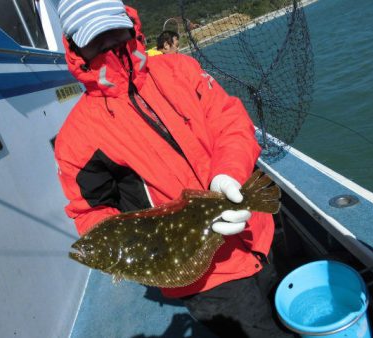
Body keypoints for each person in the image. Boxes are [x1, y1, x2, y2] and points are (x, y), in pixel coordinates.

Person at [55, 1, 294, 337]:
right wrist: (130, 252)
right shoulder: (75, 138)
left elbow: (230, 123)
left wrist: (230, 173)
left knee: (294, 313)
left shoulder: (181, 69)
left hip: (258, 228)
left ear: (131, 26)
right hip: (207, 276)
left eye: (114, 30)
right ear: (76, 47)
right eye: (96, 39)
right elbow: (89, 212)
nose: (109, 45)